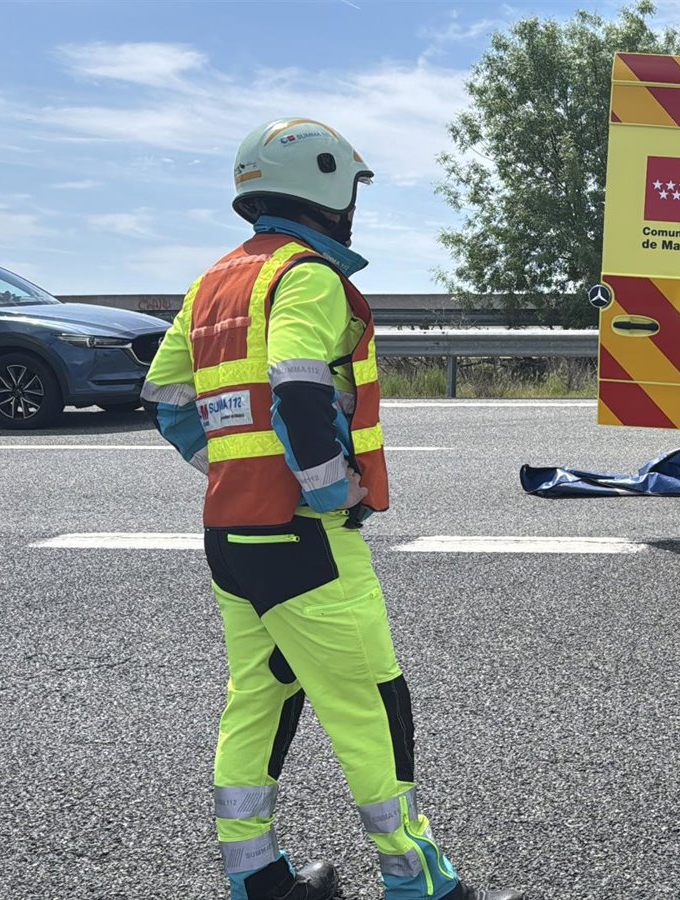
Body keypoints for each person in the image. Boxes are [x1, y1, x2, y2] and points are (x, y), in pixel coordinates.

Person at [141, 118, 521, 900]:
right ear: (327, 189)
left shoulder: (215, 282)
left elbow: (168, 398)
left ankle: (257, 877)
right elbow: (298, 383)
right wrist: (327, 487)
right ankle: (417, 881)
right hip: (303, 537)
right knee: (372, 702)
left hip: (231, 535)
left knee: (261, 697)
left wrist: (229, 469)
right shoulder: (306, 276)